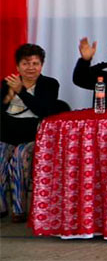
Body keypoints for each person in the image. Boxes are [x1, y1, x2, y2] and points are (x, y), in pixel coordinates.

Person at [1, 44, 61, 222]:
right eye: (26, 64)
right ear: (18, 66)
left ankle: (19, 209)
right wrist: (7, 97)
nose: (31, 68)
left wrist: (22, 91)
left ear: (41, 65)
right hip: (7, 135)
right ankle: (2, 206)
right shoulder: (6, 83)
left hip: (33, 137)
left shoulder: (49, 84)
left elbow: (45, 110)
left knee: (19, 156)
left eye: (35, 63)